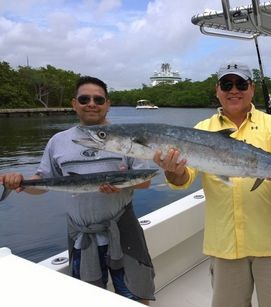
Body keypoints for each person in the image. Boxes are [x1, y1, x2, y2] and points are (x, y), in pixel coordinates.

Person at [153, 62, 271, 307]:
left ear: (252, 89)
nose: (234, 90)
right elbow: (183, 179)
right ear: (217, 90)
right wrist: (172, 171)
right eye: (227, 84)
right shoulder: (202, 130)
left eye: (241, 84)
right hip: (224, 245)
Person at [0, 76, 155, 304]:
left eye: (98, 99)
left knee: (136, 294)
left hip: (122, 228)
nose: (91, 103)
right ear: (74, 104)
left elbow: (145, 181)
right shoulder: (58, 141)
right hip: (80, 233)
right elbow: (42, 183)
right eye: (84, 99)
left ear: (108, 104)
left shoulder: (129, 138)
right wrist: (19, 181)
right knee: (88, 298)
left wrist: (121, 184)